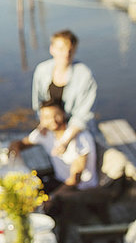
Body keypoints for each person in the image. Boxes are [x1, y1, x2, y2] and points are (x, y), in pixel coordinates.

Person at [10, 99, 98, 214]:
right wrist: (15, 158)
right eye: (46, 117)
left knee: (43, 207)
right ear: (41, 119)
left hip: (80, 189)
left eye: (56, 115)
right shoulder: (45, 134)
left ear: (64, 113)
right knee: (19, 192)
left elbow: (75, 179)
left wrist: (52, 197)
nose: (52, 120)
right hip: (59, 181)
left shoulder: (80, 137)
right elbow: (18, 144)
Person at [32, 29, 97, 157]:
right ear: (52, 49)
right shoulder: (42, 70)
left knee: (77, 149)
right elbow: (38, 103)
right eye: (61, 49)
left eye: (70, 50)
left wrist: (65, 140)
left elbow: (83, 115)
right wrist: (43, 123)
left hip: (76, 129)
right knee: (33, 140)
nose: (66, 54)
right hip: (52, 123)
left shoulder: (85, 75)